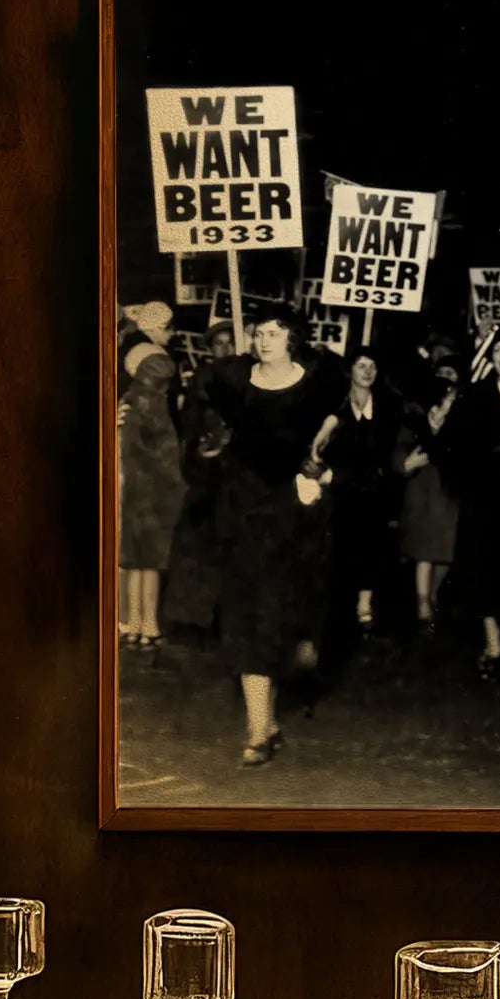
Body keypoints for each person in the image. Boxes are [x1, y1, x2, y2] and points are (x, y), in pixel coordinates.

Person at [200, 309, 344, 767]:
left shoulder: (316, 384)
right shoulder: (235, 382)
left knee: (286, 625)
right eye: (259, 333)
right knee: (249, 619)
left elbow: (334, 436)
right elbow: (215, 423)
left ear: (293, 339)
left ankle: (276, 705)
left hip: (295, 520)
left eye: (274, 333)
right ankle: (258, 729)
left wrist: (320, 470)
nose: (264, 340)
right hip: (244, 515)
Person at [445, 332, 500, 678]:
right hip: (483, 501)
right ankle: (494, 645)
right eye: (498, 350)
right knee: (482, 570)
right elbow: (450, 446)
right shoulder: (474, 395)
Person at [117, 303, 185, 649]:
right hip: (151, 477)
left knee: (135, 550)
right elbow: (164, 442)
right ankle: (147, 623)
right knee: (152, 550)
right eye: (169, 328)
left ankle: (133, 621)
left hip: (131, 476)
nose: (172, 334)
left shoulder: (127, 399)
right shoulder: (153, 391)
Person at [320, 346, 397, 643]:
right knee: (340, 548)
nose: (367, 371)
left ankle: (364, 607)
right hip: (338, 492)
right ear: (350, 371)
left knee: (371, 548)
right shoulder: (336, 406)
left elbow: (384, 454)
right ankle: (337, 610)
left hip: (371, 493)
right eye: (361, 365)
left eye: (372, 366)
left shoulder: (386, 408)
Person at [393, 359, 462, 633]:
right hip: (421, 491)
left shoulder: (457, 428)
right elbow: (400, 454)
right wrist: (406, 464)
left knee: (445, 551)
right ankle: (422, 604)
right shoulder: (413, 423)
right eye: (447, 400)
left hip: (447, 495)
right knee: (423, 549)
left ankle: (432, 595)